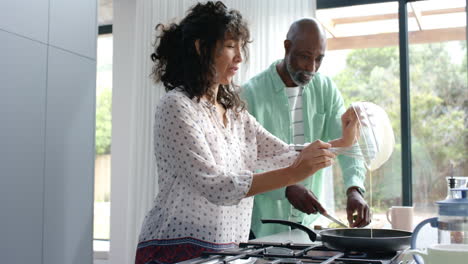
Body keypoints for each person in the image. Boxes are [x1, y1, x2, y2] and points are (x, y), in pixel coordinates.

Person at [135, 3, 359, 263]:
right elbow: (218, 186)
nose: (240, 57)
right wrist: (294, 175)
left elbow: (284, 153)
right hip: (176, 251)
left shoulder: (235, 113)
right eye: (231, 46)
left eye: (241, 47)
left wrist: (343, 142)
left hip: (225, 251)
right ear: (200, 47)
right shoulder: (177, 106)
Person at [243, 18, 371, 239]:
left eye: (318, 59)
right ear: (287, 47)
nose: (311, 68)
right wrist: (285, 187)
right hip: (261, 226)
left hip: (309, 227)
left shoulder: (325, 89)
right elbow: (243, 165)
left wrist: (354, 189)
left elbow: (345, 142)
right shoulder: (250, 94)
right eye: (304, 57)